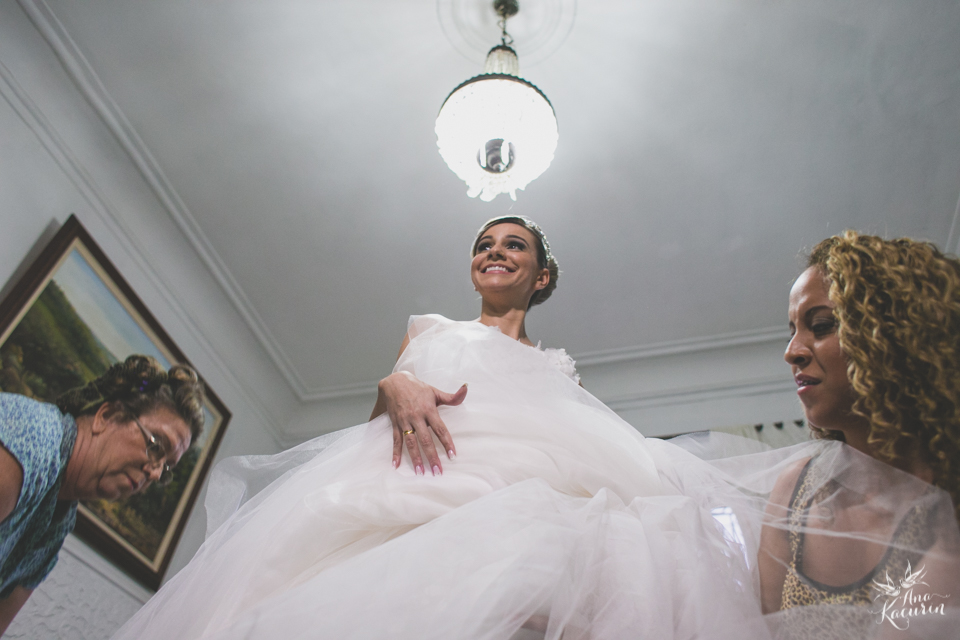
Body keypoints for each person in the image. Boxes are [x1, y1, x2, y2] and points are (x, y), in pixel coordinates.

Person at [112, 222, 959, 640]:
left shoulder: (559, 369)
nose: (494, 253)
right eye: (484, 243)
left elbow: (579, 443)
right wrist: (394, 382)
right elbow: (380, 425)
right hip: (420, 487)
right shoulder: (428, 328)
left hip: (521, 501)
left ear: (541, 274)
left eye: (513, 245)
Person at [755, 231, 960, 637]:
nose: (792, 351)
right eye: (792, 330)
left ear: (896, 336)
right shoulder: (794, 493)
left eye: (822, 325)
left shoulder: (949, 498)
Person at [0, 355, 205, 633]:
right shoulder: (31, 442)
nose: (156, 474)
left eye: (167, 467)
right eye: (157, 445)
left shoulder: (59, 522)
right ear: (105, 417)